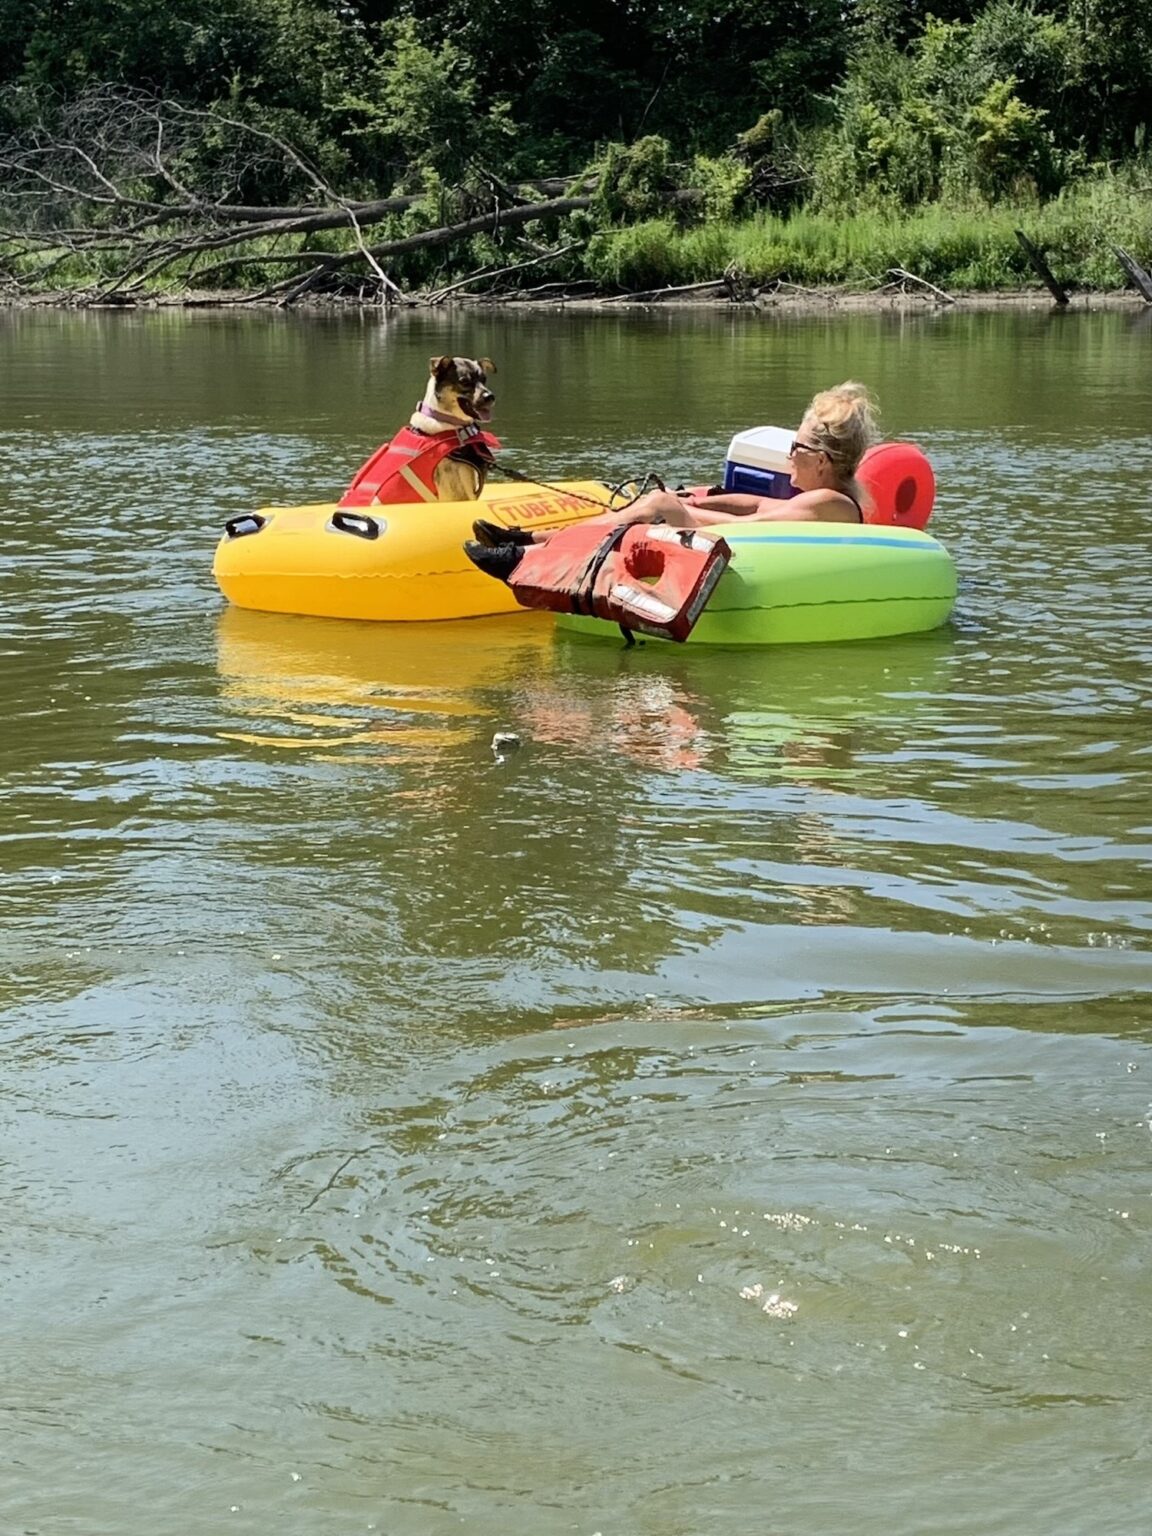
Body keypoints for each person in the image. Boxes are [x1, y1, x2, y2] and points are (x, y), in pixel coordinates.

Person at [466, 382, 881, 577]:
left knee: (659, 507)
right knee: (666, 503)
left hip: (741, 561)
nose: (789, 457)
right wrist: (697, 499)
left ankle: (529, 550)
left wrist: (675, 509)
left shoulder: (830, 505)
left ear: (823, 460)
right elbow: (755, 505)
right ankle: (530, 541)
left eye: (798, 449)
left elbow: (750, 528)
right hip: (742, 552)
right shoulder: (822, 497)